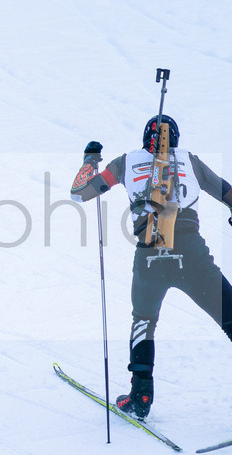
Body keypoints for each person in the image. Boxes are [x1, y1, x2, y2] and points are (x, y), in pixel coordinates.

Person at [71, 114, 232, 418]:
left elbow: (81, 193)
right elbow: (227, 192)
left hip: (149, 254)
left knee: (143, 321)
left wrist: (90, 161)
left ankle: (140, 397)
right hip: (191, 252)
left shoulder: (126, 162)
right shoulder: (190, 160)